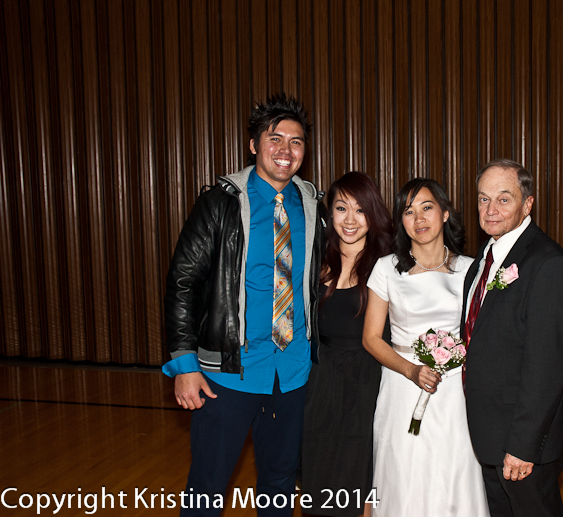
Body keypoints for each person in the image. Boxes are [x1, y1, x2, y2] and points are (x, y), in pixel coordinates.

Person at [162, 93, 324, 517]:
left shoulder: (312, 205)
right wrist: (184, 364)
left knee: (280, 482)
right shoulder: (220, 203)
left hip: (292, 372)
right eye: (275, 139)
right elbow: (182, 283)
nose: (286, 150)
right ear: (254, 145)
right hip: (228, 374)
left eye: (296, 141)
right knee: (207, 487)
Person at [362, 178, 490, 517]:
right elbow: (371, 338)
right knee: (405, 470)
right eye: (409, 211)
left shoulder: (470, 269)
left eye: (427, 207)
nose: (419, 218)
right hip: (402, 384)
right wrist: (412, 370)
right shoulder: (387, 268)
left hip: (455, 391)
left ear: (445, 213)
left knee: (454, 469)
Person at [462, 159, 563, 517]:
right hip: (489, 434)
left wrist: (523, 446)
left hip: (521, 445)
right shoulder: (485, 256)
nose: (490, 210)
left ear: (527, 204)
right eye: (483, 199)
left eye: (503, 199)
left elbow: (546, 365)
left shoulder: (547, 264)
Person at [302, 172, 393, 517]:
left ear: (373, 213)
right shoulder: (316, 258)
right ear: (330, 213)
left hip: (367, 381)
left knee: (360, 478)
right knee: (317, 475)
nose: (350, 220)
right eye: (342, 208)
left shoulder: (388, 264)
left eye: (360, 209)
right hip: (320, 380)